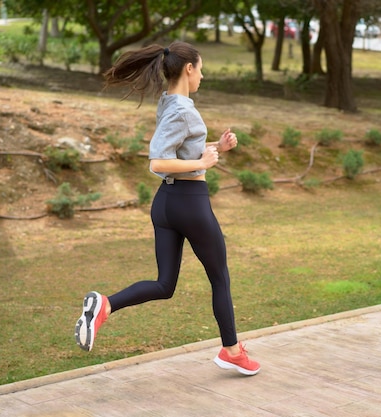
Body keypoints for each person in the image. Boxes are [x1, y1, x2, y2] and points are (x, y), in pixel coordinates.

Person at [73, 41, 260, 376]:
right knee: (220, 278)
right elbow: (158, 161)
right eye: (200, 69)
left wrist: (217, 147)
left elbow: (179, 149)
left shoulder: (170, 103)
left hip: (166, 205)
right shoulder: (182, 109)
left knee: (165, 285)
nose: (202, 75)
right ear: (188, 69)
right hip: (189, 204)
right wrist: (203, 162)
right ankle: (232, 351)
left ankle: (105, 305)